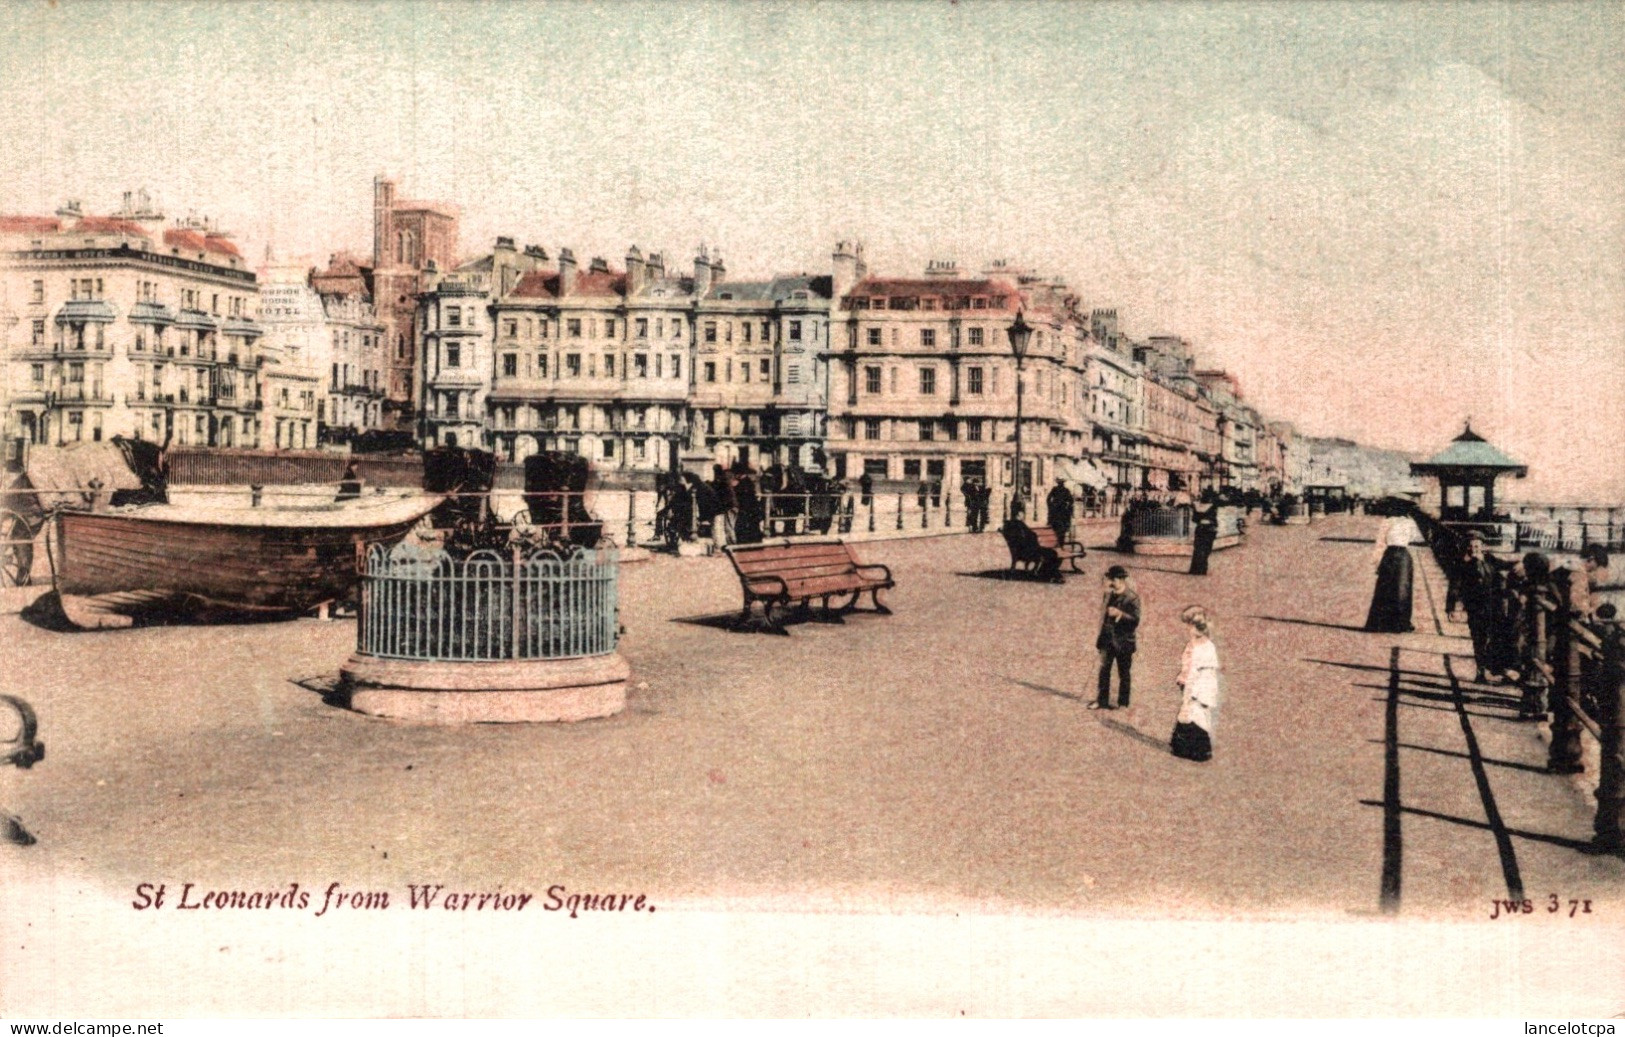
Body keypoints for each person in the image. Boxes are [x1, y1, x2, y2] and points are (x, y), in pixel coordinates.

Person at [1170, 605, 1222, 762]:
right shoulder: (1199, 645)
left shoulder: (1201, 649)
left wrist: (1190, 690)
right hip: (1197, 685)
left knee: (1194, 716)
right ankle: (1186, 748)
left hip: (1198, 688)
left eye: (1189, 626)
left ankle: (1196, 751)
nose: (1187, 629)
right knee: (1192, 716)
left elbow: (1195, 672)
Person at [1364, 501, 1422, 633]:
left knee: (1385, 587)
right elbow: (1415, 538)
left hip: (1390, 554)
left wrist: (1377, 562)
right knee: (1402, 588)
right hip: (1404, 556)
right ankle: (1401, 623)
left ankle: (1381, 623)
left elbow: (1380, 542)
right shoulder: (1410, 522)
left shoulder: (1387, 521)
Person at [1091, 565, 1141, 710]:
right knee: (1103, 671)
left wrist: (1120, 614)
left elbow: (1135, 620)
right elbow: (1103, 618)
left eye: (1113, 580)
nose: (1110, 583)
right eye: (1110, 580)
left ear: (1120, 580)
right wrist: (1100, 638)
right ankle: (1101, 701)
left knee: (1124, 673)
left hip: (1124, 642)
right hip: (1107, 640)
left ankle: (1123, 703)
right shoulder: (1108, 595)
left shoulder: (1132, 598)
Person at [1188, 499, 1218, 576]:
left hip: (1200, 528)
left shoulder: (1196, 506)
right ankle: (1203, 569)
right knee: (1207, 549)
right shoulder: (1213, 506)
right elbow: (1214, 520)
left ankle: (1196, 569)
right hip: (1209, 529)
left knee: (1198, 548)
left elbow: (1194, 519)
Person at [711, 464, 737, 547]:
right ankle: (731, 543)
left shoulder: (721, 480)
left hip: (729, 506)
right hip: (731, 505)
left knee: (729, 526)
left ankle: (732, 543)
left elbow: (725, 494)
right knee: (729, 525)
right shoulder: (724, 479)